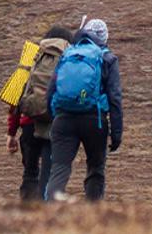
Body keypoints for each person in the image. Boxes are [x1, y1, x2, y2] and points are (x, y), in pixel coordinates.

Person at [43, 18, 123, 202]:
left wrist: (55, 116)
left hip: (64, 118)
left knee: (59, 168)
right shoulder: (107, 58)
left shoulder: (68, 53)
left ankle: (49, 216)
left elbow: (50, 90)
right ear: (105, 38)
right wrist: (116, 132)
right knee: (95, 168)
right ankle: (92, 217)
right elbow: (115, 97)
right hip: (95, 120)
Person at [8, 24, 74, 201]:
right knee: (48, 171)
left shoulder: (32, 54)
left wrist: (11, 133)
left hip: (29, 123)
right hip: (55, 124)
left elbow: (15, 97)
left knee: (30, 172)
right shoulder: (70, 56)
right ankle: (45, 213)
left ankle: (26, 212)